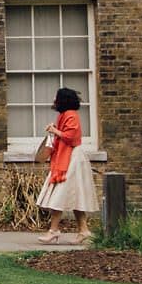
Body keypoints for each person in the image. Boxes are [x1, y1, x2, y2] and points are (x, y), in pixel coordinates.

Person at [38, 87, 98, 244]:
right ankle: (83, 230)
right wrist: (55, 130)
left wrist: (54, 130)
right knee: (74, 195)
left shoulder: (71, 115)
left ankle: (54, 230)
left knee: (59, 194)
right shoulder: (65, 116)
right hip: (69, 158)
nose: (54, 101)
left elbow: (71, 138)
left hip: (72, 159)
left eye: (56, 98)